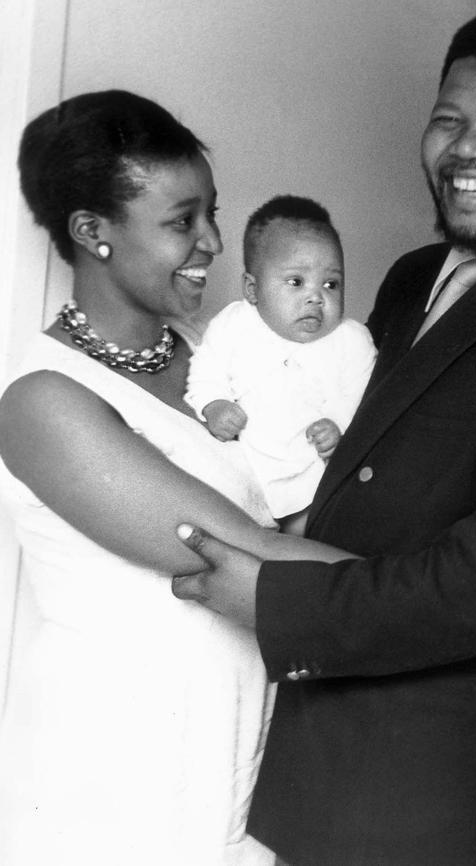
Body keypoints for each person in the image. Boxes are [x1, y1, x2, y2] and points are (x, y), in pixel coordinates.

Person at [171, 10, 476, 866]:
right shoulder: (408, 279)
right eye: (449, 120)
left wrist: (282, 600)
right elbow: (370, 474)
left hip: (441, 780)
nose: (468, 149)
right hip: (321, 743)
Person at [0, 89, 366, 866]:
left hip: (237, 737)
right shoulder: (44, 401)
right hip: (120, 773)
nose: (213, 241)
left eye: (211, 213)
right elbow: (237, 549)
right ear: (92, 232)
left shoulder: (218, 353)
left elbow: (301, 505)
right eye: (182, 221)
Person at [185, 195, 376, 525]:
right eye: (296, 282)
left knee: (321, 531)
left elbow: (364, 397)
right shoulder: (235, 324)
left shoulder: (351, 340)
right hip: (250, 471)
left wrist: (339, 423)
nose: (316, 297)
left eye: (331, 284)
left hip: (318, 476)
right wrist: (214, 404)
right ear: (252, 290)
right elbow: (205, 372)